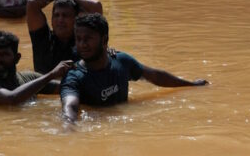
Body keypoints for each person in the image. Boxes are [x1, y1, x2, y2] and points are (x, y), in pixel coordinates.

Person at [60, 13, 209, 121]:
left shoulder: (122, 61)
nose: (82, 45)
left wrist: (190, 84)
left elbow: (154, 76)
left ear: (104, 40)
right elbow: (70, 107)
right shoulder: (74, 76)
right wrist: (69, 128)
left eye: (88, 39)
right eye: (78, 39)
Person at [0, 30, 72, 105]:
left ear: (17, 58)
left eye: (4, 54)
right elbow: (12, 99)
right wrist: (51, 75)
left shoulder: (29, 78)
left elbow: (66, 87)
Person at [26, 0, 103, 74]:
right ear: (51, 20)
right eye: (56, 15)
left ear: (76, 19)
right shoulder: (42, 38)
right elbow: (32, 4)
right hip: (45, 86)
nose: (60, 20)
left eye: (65, 15)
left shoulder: (83, 42)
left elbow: (96, 6)